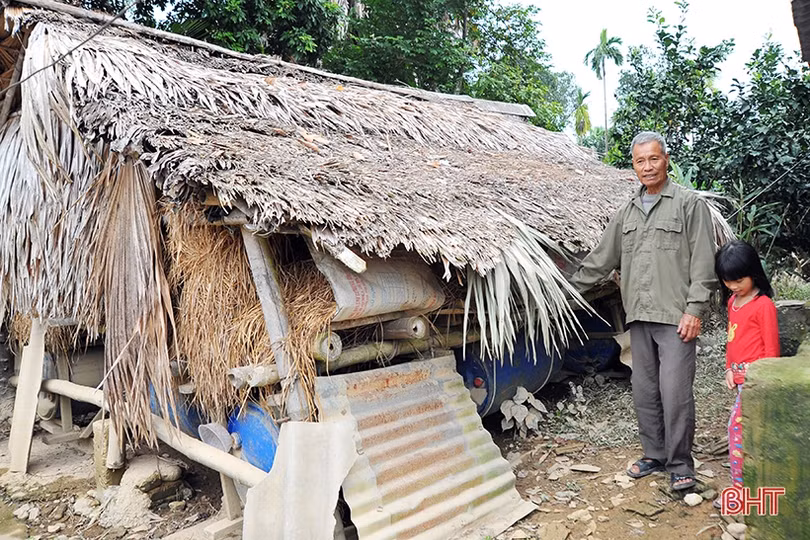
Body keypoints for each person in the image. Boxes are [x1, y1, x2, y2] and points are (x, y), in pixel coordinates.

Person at [570, 131, 717, 491]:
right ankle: (655, 454)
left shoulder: (689, 205)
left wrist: (695, 309)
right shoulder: (626, 213)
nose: (648, 167)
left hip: (676, 317)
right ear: (633, 166)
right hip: (639, 317)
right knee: (645, 390)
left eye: (654, 158)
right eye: (640, 161)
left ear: (666, 160)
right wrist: (565, 293)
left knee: (675, 392)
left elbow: (703, 262)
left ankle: (680, 464)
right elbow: (600, 261)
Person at [714, 239, 779, 501]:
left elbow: (772, 350)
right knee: (747, 431)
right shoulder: (733, 301)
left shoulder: (763, 306)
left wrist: (761, 380)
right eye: (727, 281)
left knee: (736, 429)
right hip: (740, 379)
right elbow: (733, 341)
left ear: (754, 273)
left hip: (756, 382)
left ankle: (740, 490)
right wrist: (729, 369)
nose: (733, 286)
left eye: (738, 280)